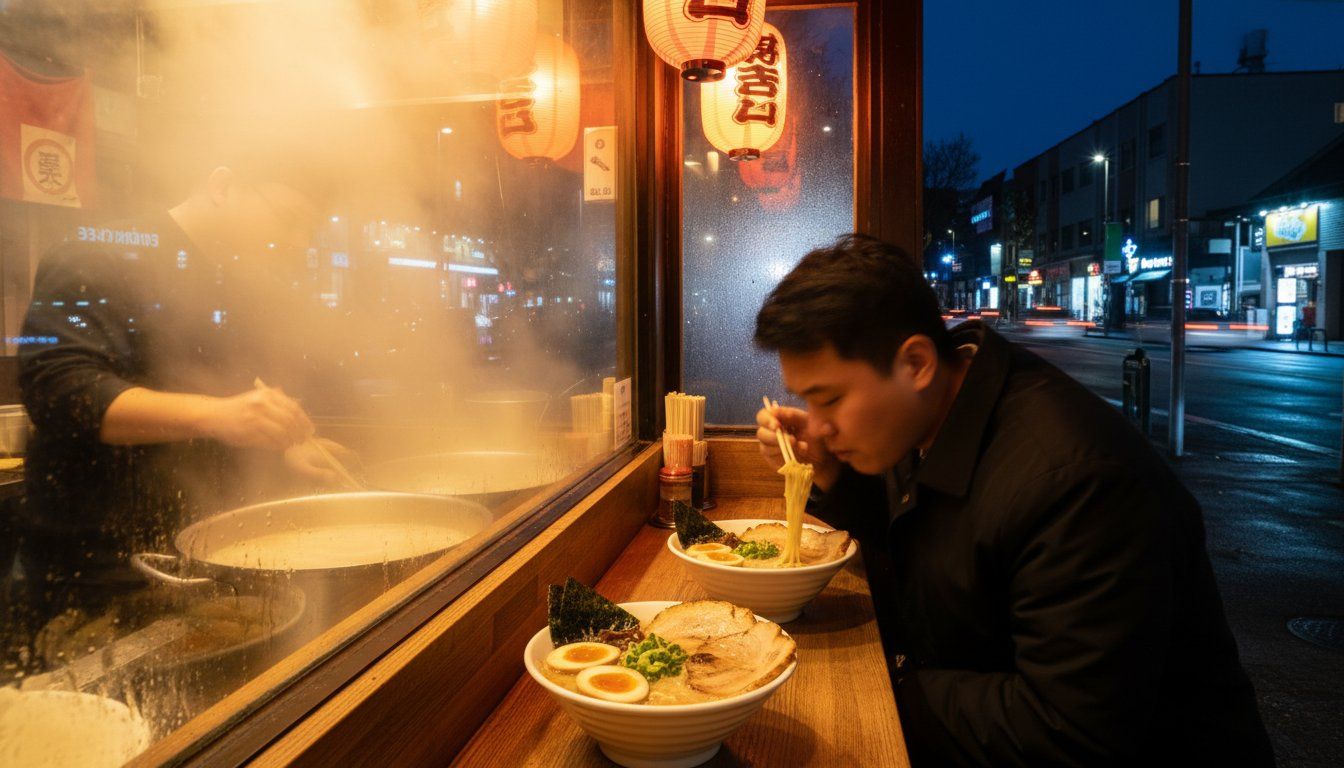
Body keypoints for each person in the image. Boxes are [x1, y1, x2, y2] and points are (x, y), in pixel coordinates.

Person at [753, 234, 1273, 766]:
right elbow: (920, 540)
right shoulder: (933, 414)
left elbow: (1067, 733)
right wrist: (830, 470)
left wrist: (890, 683)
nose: (817, 424)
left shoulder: (1077, 484)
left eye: (831, 399)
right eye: (807, 402)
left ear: (915, 364)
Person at [8, 162, 349, 654]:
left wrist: (281, 450)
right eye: (288, 219)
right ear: (223, 184)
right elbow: (60, 391)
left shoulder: (232, 286)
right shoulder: (97, 250)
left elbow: (223, 403)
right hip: (94, 579)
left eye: (309, 231)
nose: (297, 242)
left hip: (201, 563)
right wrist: (220, 414)